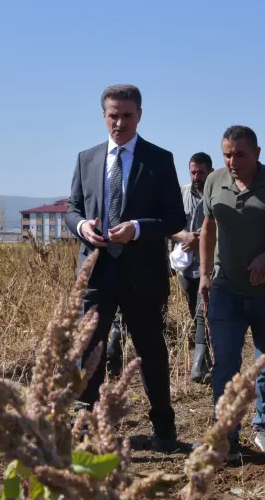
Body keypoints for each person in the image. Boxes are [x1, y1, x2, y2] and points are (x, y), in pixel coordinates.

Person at [65, 84, 188, 453]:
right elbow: (72, 208)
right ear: (103, 115)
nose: (119, 122)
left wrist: (136, 229)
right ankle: (86, 425)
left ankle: (163, 427)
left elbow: (174, 217)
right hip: (96, 273)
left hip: (142, 275)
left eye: (127, 115)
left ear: (140, 115)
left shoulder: (159, 159)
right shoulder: (87, 158)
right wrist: (82, 226)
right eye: (113, 115)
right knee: (89, 351)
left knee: (150, 351)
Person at [198, 126, 265, 458]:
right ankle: (226, 435)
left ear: (257, 152)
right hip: (225, 287)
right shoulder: (214, 181)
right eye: (227, 154)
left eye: (240, 153)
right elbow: (207, 228)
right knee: (224, 364)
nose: (232, 160)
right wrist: (205, 275)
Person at [172, 152, 214, 383]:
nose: (196, 176)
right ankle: (205, 357)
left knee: (202, 310)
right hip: (187, 267)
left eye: (201, 172)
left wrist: (203, 239)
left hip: (211, 265)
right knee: (195, 310)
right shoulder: (182, 194)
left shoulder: (217, 193)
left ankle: (198, 363)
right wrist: (184, 236)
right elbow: (171, 226)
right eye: (193, 172)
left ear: (210, 171)